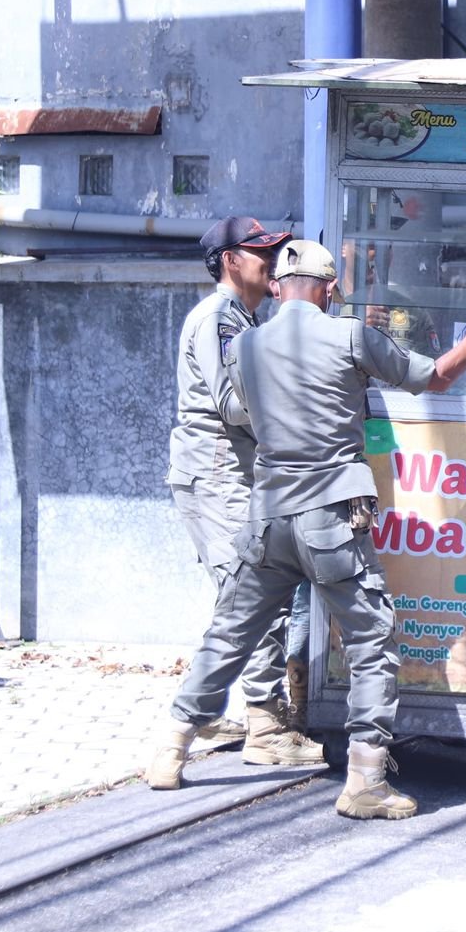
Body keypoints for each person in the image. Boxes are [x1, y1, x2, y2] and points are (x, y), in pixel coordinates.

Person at [147, 240, 466, 814]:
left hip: (266, 517)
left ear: (277, 288)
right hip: (332, 520)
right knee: (370, 641)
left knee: (230, 633)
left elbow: (236, 412)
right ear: (329, 289)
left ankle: (170, 749)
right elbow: (435, 377)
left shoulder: (243, 345)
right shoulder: (349, 335)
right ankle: (366, 781)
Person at [159, 216, 319, 767]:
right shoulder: (219, 318)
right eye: (262, 253)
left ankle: (218, 710)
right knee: (253, 596)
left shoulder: (244, 317)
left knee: (247, 596)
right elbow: (232, 402)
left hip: (235, 473)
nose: (273, 263)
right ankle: (264, 726)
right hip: (218, 473)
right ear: (231, 260)